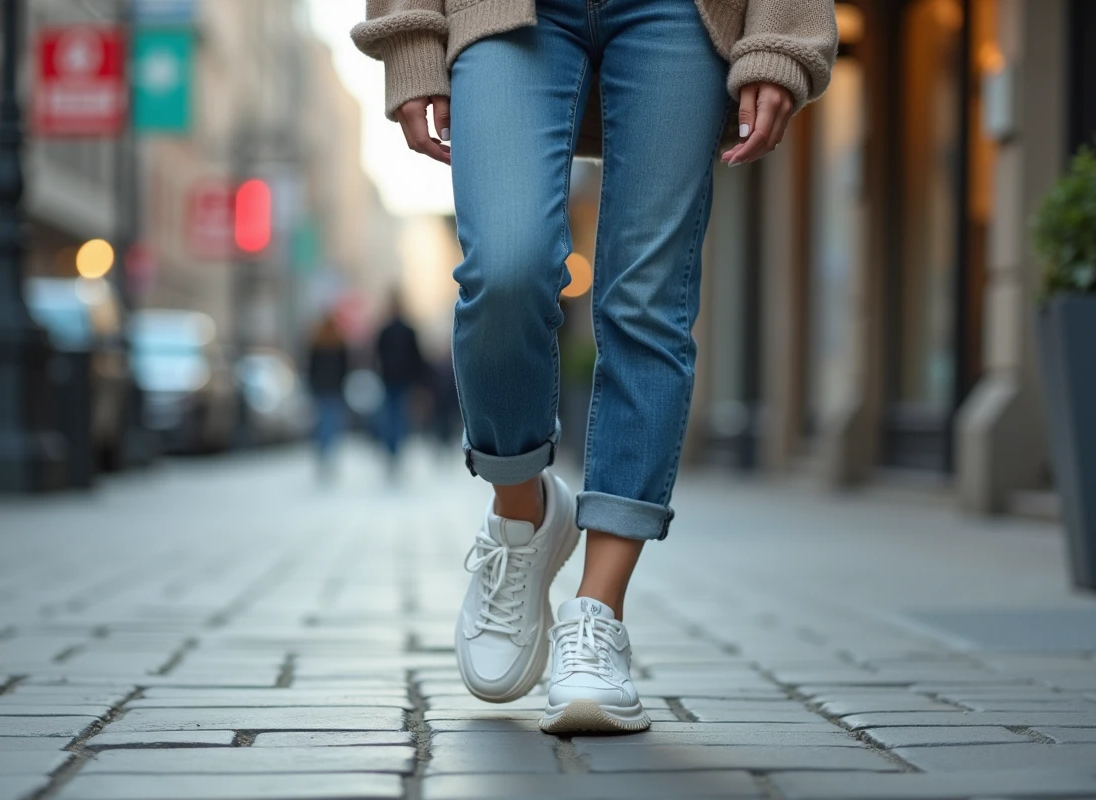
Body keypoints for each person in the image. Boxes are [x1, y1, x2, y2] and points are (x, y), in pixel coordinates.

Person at [352, 0, 837, 734]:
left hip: (680, 15)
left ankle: (596, 616)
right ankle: (523, 519)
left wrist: (781, 35)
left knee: (647, 304)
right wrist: (413, 34)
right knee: (506, 273)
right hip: (508, 12)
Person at [374, 293, 426, 471]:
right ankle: (396, 447)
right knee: (399, 415)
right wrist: (419, 379)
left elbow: (377, 355)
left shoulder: (385, 331)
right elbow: (417, 356)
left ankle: (392, 447)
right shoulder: (408, 330)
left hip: (389, 378)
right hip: (403, 378)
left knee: (390, 414)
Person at [306, 315, 350, 480]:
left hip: (321, 389)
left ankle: (323, 451)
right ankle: (329, 452)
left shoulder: (317, 343)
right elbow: (345, 368)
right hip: (335, 389)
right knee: (332, 422)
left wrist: (313, 386)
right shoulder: (339, 344)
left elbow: (311, 368)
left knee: (323, 422)